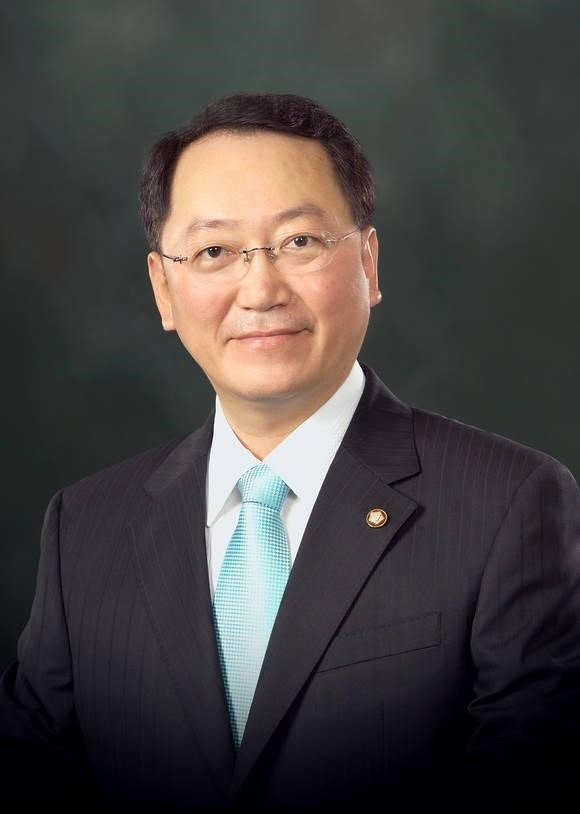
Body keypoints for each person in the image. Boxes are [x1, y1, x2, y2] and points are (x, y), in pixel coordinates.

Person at [1, 93, 579, 813]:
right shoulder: (84, 529)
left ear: (367, 261)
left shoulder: (510, 504)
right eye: (214, 252)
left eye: (300, 241)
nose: (260, 289)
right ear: (163, 289)